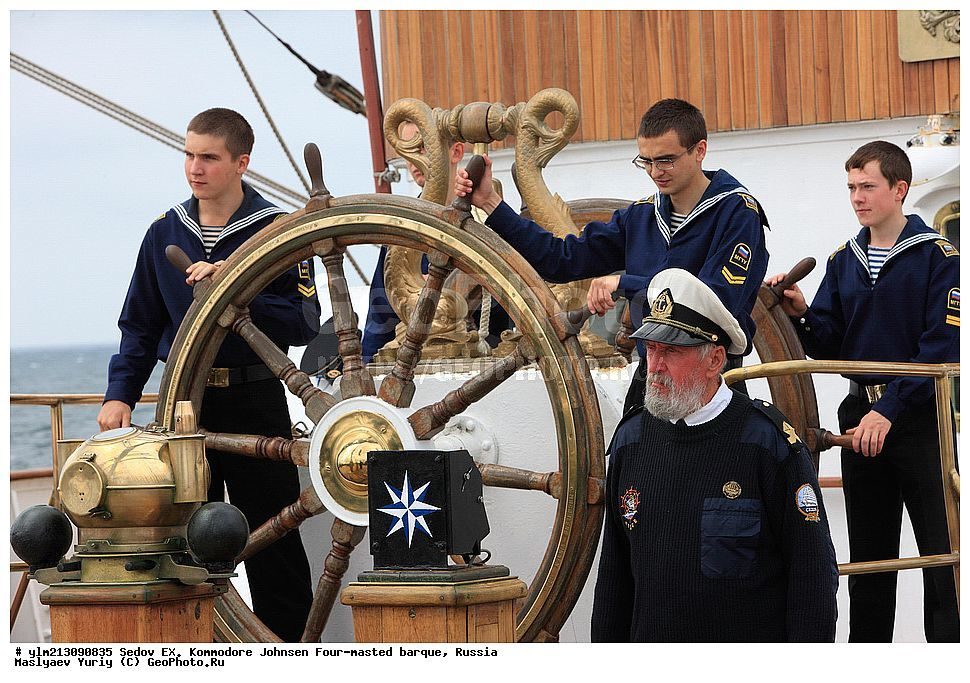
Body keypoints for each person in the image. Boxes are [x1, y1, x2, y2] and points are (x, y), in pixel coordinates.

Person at [97, 108, 320, 642]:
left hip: (257, 402)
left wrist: (236, 287)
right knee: (182, 543)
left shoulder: (278, 232)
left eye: (209, 157)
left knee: (275, 547)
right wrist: (119, 395)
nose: (194, 168)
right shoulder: (163, 233)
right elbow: (139, 325)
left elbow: (305, 321)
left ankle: (289, 656)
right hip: (184, 407)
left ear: (241, 163)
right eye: (189, 155)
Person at [455, 98, 769, 412]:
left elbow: (714, 301)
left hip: (709, 384)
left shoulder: (738, 213)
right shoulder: (641, 216)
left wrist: (624, 284)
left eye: (666, 160)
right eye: (645, 161)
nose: (655, 172)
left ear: (699, 150)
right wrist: (490, 203)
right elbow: (562, 259)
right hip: (653, 379)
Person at [766, 140, 959, 642]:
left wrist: (889, 411)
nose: (857, 197)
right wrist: (800, 312)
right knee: (870, 561)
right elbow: (830, 342)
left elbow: (942, 346)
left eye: (867, 186)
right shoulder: (843, 260)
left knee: (944, 558)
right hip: (858, 417)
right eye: (851, 187)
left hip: (922, 420)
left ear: (900, 189)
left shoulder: (940, 258)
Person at [590, 268, 838, 642]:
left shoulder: (767, 444)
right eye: (651, 348)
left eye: (671, 350)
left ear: (715, 360)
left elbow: (813, 578)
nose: (654, 366)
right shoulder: (631, 441)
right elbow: (614, 578)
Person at [362, 120, 510, 362]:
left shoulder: (490, 223)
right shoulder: (400, 232)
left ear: (457, 151)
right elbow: (380, 321)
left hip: (484, 365)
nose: (413, 161)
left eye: (422, 148)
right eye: (406, 151)